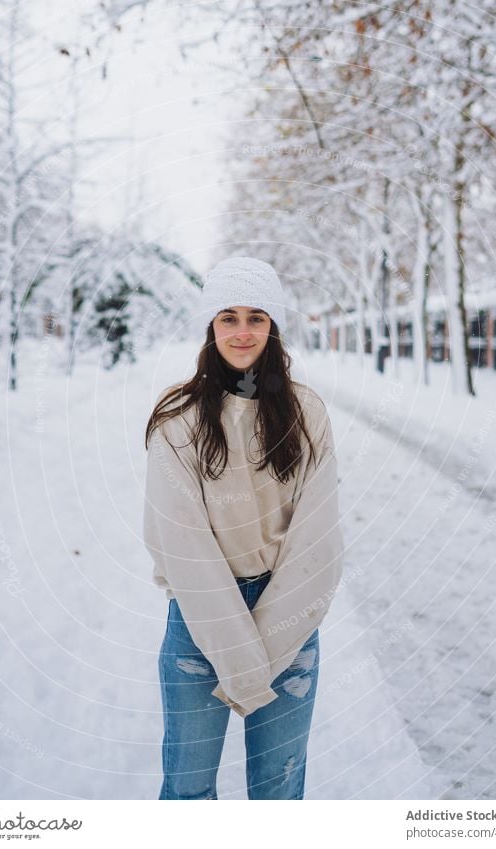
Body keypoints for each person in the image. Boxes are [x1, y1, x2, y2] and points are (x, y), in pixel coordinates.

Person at [142, 256, 345, 800]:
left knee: (279, 795)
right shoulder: (177, 420)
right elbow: (180, 543)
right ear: (210, 326)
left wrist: (269, 646)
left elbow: (318, 539)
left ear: (273, 326)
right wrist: (240, 657)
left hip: (289, 611)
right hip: (200, 616)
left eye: (256, 316)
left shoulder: (307, 413)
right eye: (228, 316)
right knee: (187, 793)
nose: (242, 330)